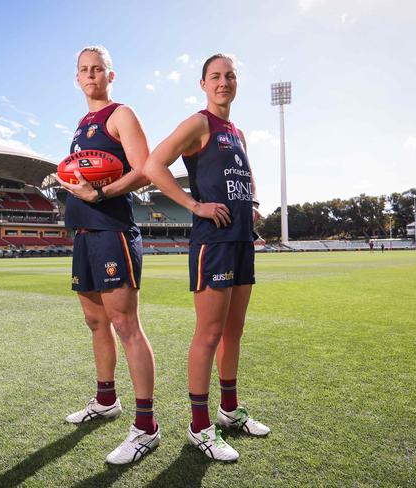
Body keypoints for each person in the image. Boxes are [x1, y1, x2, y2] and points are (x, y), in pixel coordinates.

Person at [143, 53, 269, 462]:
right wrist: (193, 205)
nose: (223, 82)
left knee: (234, 331)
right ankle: (200, 427)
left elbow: (241, 177)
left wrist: (252, 203)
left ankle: (229, 411)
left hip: (241, 239)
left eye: (230, 76)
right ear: (203, 84)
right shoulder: (198, 124)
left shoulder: (238, 133)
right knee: (209, 332)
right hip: (212, 243)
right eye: (215, 76)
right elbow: (152, 164)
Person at [55, 45, 159, 465]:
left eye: (98, 69)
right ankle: (105, 400)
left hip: (112, 231)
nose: (91, 74)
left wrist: (100, 192)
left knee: (125, 324)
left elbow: (144, 168)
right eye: (83, 69)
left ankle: (147, 427)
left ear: (110, 76)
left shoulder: (121, 114)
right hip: (83, 232)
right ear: (77, 78)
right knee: (95, 321)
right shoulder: (82, 125)